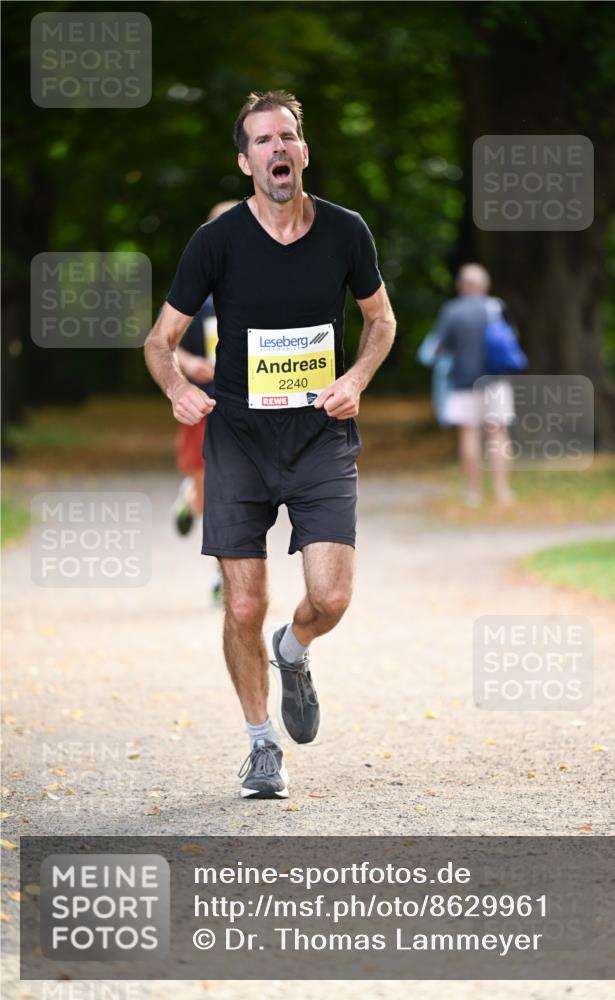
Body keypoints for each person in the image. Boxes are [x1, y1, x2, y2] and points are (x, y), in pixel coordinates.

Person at [144, 90, 396, 799]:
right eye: (262, 140)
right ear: (245, 159)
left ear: (304, 151)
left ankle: (296, 649)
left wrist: (357, 377)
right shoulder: (215, 244)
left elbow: (380, 321)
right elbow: (159, 341)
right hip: (239, 440)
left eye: (287, 136)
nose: (276, 148)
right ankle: (261, 748)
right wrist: (176, 389)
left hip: (319, 432)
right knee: (243, 605)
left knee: (332, 594)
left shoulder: (346, 232)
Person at [171, 202, 238, 603]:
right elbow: (164, 344)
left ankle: (224, 576)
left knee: (234, 492)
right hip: (202, 404)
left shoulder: (265, 284)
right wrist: (190, 362)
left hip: (246, 408)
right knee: (208, 490)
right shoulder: (194, 288)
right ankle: (187, 498)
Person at [431, 264, 517, 506]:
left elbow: (440, 347)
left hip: (463, 381)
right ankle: (503, 491)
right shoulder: (496, 307)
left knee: (469, 434)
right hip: (496, 381)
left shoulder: (452, 311)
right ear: (485, 286)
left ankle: (473, 493)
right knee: (498, 433)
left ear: (461, 286)